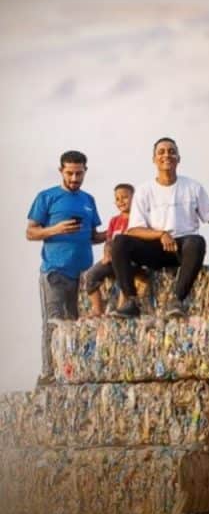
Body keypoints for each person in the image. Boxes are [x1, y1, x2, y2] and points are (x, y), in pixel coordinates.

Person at [110, 138, 209, 318]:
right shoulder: (144, 190)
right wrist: (161, 234)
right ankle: (131, 301)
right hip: (155, 246)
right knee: (120, 242)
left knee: (197, 241)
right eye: (161, 152)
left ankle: (177, 301)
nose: (166, 155)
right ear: (154, 159)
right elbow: (134, 229)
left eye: (171, 151)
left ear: (178, 158)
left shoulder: (193, 187)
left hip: (183, 249)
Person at [26, 150, 104, 383]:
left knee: (77, 325)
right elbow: (30, 232)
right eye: (69, 173)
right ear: (61, 171)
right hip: (55, 272)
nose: (74, 179)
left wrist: (116, 232)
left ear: (85, 172)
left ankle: (73, 373)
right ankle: (49, 374)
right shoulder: (46, 197)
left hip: (83, 275)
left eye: (79, 174)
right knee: (54, 323)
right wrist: (55, 229)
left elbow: (93, 236)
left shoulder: (88, 200)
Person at [84, 183, 134, 316]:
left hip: (130, 259)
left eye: (125, 197)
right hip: (112, 259)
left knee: (124, 274)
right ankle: (97, 309)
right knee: (91, 275)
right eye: (117, 199)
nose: (121, 201)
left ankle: (122, 305)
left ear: (134, 198)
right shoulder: (114, 221)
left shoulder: (138, 219)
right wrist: (106, 255)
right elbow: (108, 241)